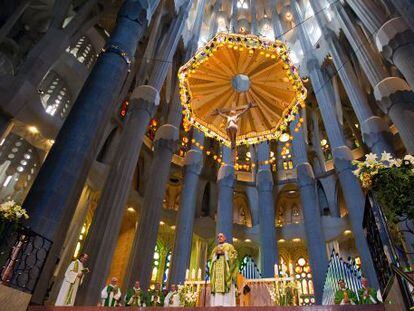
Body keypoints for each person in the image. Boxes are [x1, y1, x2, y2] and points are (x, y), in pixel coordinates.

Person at [210, 232, 238, 306]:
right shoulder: (215, 249)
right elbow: (211, 260)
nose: (219, 238)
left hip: (226, 273)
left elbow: (234, 257)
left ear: (225, 238)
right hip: (217, 274)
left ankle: (227, 304)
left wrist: (225, 254)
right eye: (218, 237)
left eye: (221, 236)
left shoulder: (229, 246)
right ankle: (217, 303)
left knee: (226, 301)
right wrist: (215, 255)